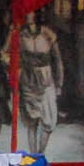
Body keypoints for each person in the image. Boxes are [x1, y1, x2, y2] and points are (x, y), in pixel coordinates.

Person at [17, 10, 63, 154]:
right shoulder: (20, 35)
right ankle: (33, 157)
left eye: (31, 12)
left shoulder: (47, 34)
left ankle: (40, 153)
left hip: (45, 78)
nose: (28, 15)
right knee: (32, 121)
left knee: (49, 121)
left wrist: (59, 82)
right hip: (28, 79)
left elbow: (58, 60)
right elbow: (7, 54)